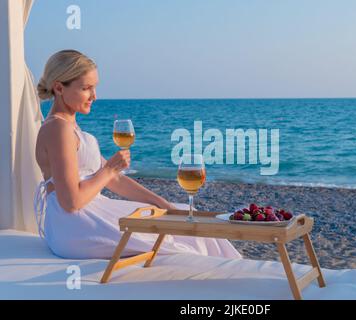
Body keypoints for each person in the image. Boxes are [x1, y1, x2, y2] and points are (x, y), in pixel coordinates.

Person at [34, 50, 242, 260]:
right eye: (86, 88)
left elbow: (115, 179)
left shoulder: (69, 127)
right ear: (59, 87)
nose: (95, 96)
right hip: (75, 225)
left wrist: (163, 204)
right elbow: (71, 202)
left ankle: (228, 273)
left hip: (88, 213)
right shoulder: (57, 129)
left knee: (181, 214)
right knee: (175, 239)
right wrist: (108, 170)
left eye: (95, 87)